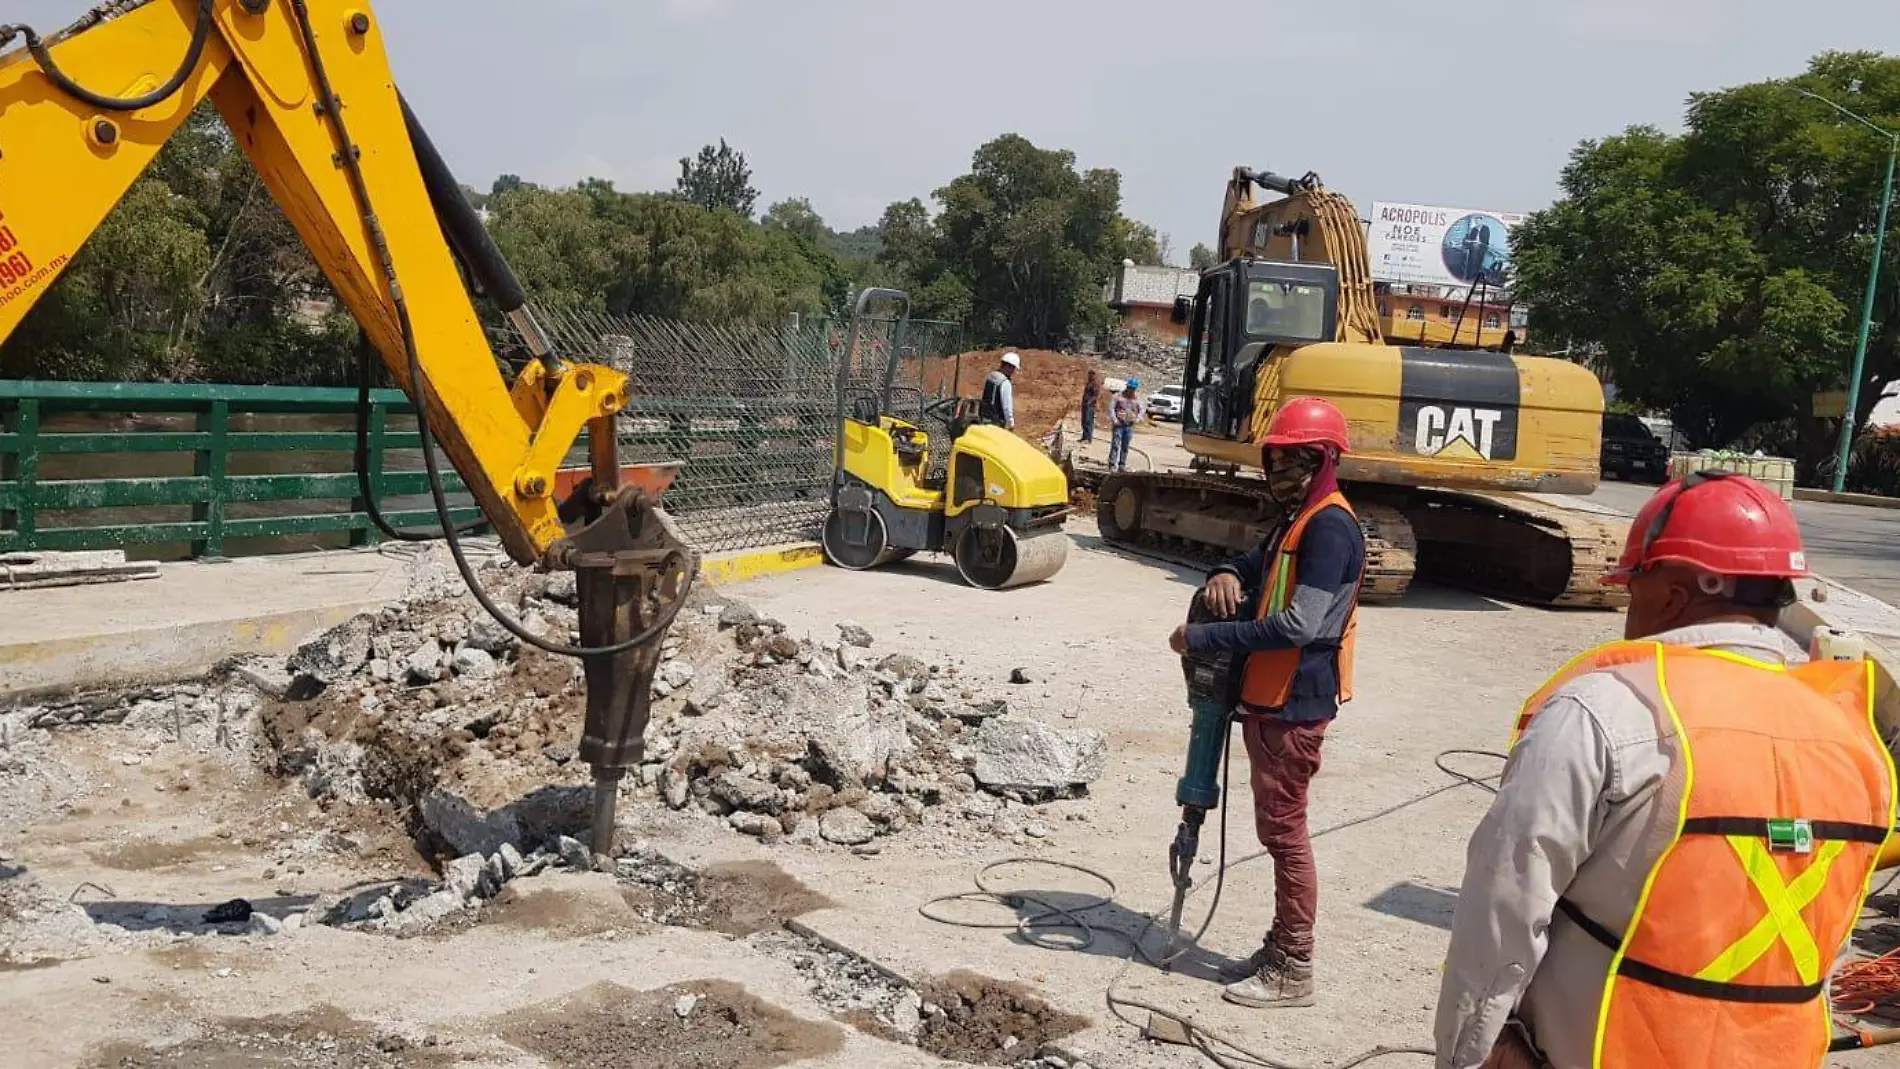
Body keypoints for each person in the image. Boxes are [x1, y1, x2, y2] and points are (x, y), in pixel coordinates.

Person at [1434, 472, 1895, 1069]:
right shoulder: (1852, 737)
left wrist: (1471, 1052)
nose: (1630, 606)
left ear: (1674, 594)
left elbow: (1505, 906)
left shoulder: (1602, 711)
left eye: (1635, 586)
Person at [1167, 397, 1367, 1009]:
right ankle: (1281, 946)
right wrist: (1224, 572)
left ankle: (1293, 966)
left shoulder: (1329, 527)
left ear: (1324, 460)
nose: (1278, 472)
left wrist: (1202, 636)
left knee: (1284, 832)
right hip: (1270, 698)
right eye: (1274, 460)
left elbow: (1297, 625)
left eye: (1294, 460)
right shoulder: (1297, 518)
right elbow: (1255, 564)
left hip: (1294, 703)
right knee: (1277, 826)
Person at [1107, 379, 1143, 471]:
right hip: (1119, 424)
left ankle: (1122, 464)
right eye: (1130, 388)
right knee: (1115, 444)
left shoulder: (1137, 398)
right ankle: (1112, 463)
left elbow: (1141, 410)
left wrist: (1137, 419)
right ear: (1127, 387)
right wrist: (1114, 419)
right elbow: (1111, 408)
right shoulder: (1118, 396)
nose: (1131, 390)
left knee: (1125, 446)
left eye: (1133, 389)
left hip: (1129, 425)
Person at [980, 352, 1020, 430]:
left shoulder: (991, 376)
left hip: (984, 420)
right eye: (1013, 368)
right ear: (1009, 366)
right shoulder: (1004, 382)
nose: (1013, 371)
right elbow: (1006, 407)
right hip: (996, 423)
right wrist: (1010, 423)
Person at [1080, 370, 1101, 444]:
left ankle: (1088, 438)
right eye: (1089, 374)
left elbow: (1095, 396)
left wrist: (1089, 402)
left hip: (1090, 406)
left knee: (1088, 421)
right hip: (1085, 404)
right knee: (1084, 421)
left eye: (1091, 375)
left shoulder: (1095, 384)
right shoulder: (1088, 383)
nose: (1089, 376)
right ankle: (1084, 437)